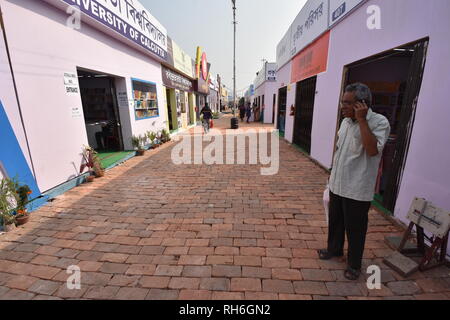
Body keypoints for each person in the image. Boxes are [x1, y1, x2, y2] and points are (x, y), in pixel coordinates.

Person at [318, 83, 391, 280]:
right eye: (343, 102)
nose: (343, 107)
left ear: (362, 104)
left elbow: (372, 150)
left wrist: (362, 121)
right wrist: (332, 175)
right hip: (338, 183)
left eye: (348, 103)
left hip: (357, 188)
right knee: (335, 222)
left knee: (355, 229)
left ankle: (354, 265)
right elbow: (340, 149)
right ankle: (334, 249)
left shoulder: (379, 122)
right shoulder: (344, 123)